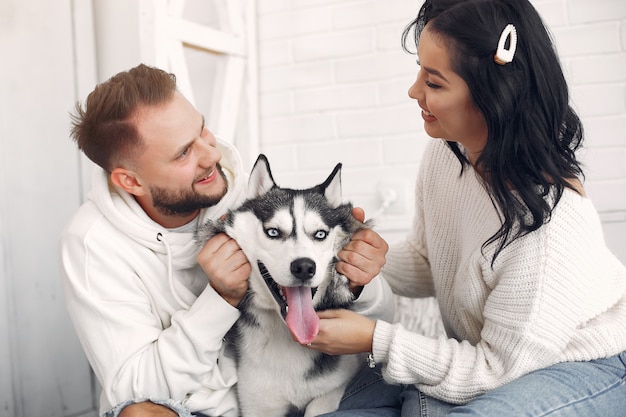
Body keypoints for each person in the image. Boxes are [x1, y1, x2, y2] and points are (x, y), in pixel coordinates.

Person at [308, 0, 626, 416]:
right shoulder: (447, 154)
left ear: (494, 97)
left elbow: (495, 371)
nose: (413, 90)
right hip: (490, 358)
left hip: (583, 363)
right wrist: (366, 258)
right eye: (419, 70)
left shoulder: (549, 227)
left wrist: (376, 340)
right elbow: (430, 261)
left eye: (434, 83)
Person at [59, 64, 401, 417]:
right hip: (195, 408)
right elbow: (135, 390)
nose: (211, 156)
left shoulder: (246, 197)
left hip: (316, 388)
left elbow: (378, 325)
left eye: (202, 130)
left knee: (395, 387)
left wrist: (358, 280)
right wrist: (220, 298)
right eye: (183, 153)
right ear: (130, 181)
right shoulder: (92, 246)